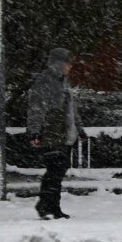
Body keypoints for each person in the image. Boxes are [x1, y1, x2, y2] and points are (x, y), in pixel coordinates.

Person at [23, 47, 79, 220]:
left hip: (62, 132)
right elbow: (37, 108)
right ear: (59, 63)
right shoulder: (46, 81)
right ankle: (48, 206)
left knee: (57, 171)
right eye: (68, 62)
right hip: (52, 132)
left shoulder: (61, 81)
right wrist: (35, 132)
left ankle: (49, 205)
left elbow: (71, 109)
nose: (70, 66)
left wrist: (79, 128)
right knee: (55, 171)